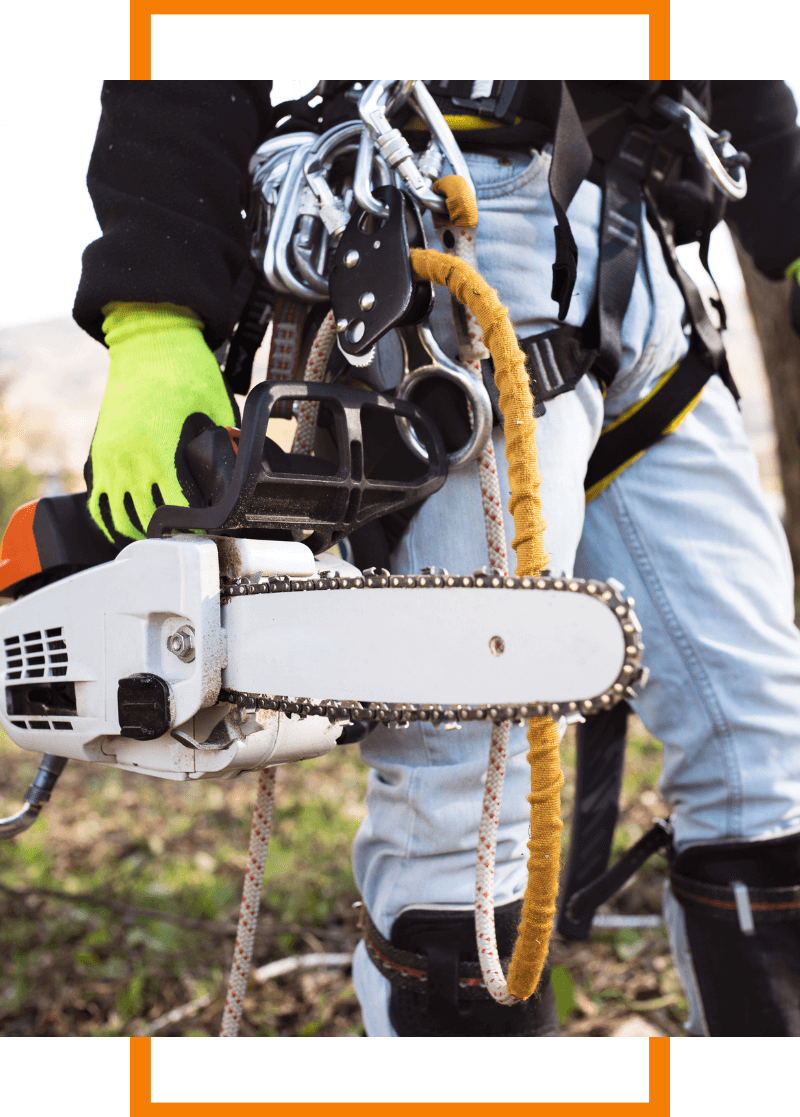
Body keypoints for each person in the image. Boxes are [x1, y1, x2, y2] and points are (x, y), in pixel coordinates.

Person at [73, 80, 800, 1037]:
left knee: (768, 755)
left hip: (645, 235)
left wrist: (787, 209)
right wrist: (154, 310)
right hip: (444, 223)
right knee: (461, 819)